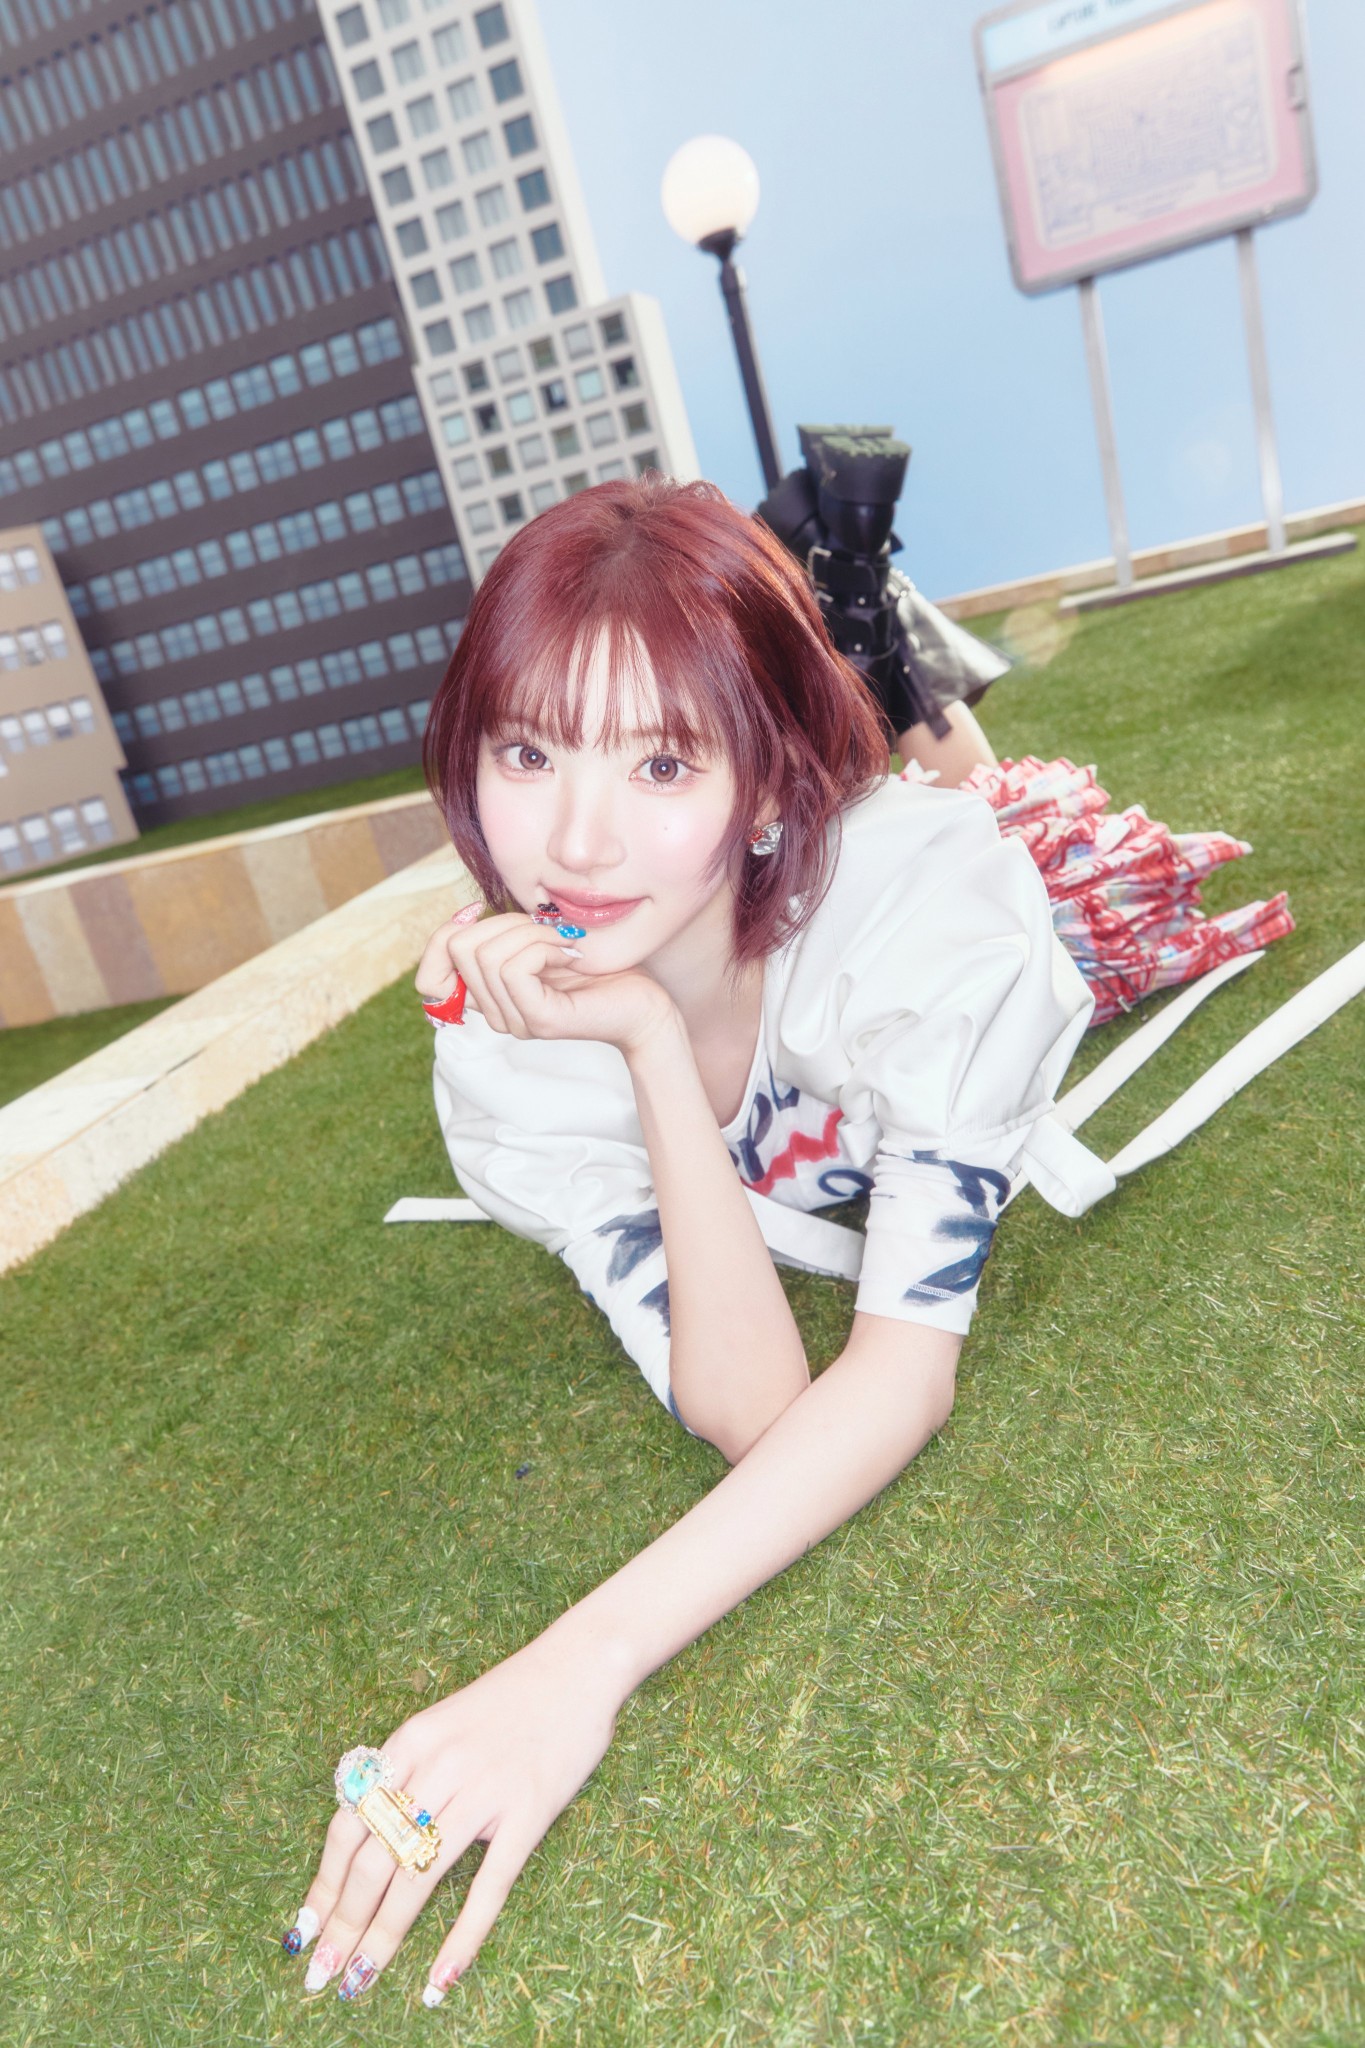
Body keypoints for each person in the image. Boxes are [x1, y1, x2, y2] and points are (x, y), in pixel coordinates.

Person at [277, 475, 1102, 2006]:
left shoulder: (918, 922)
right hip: (771, 923)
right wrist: (650, 1048)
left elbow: (900, 1376)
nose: (575, 839)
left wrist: (575, 1665)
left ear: (761, 782)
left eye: (659, 760)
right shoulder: (514, 1056)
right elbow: (762, 1414)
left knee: (1045, 815)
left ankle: (875, 640)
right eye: (527, 752)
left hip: (995, 895)